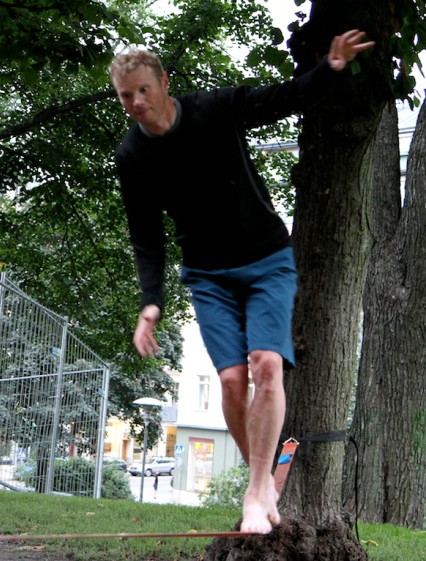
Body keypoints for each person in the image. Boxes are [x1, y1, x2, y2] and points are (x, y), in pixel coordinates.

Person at [110, 30, 374, 534]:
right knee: (232, 382)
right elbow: (145, 234)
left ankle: (258, 492)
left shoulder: (215, 109)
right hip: (208, 274)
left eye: (144, 90)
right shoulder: (133, 156)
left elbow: (284, 98)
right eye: (126, 96)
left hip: (267, 259)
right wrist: (151, 303)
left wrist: (330, 66)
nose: (137, 103)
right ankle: (263, 484)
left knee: (266, 365)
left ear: (164, 82)